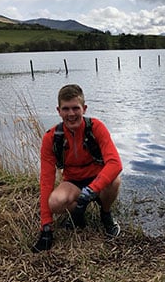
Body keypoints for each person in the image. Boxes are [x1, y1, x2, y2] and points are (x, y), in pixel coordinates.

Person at [32, 84, 122, 253]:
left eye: (75, 108)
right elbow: (46, 181)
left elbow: (115, 163)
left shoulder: (96, 127)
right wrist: (46, 226)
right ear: (58, 111)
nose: (71, 114)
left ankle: (106, 213)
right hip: (73, 181)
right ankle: (79, 212)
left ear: (84, 109)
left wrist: (92, 189)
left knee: (114, 181)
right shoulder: (51, 137)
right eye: (66, 109)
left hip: (97, 178)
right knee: (55, 202)